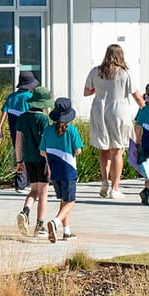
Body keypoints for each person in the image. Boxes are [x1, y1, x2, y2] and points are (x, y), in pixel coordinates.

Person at [82, 45, 138, 200]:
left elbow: (86, 92)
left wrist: (98, 90)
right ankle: (115, 188)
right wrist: (145, 108)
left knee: (103, 148)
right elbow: (135, 94)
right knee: (117, 150)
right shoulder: (125, 73)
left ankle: (104, 181)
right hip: (119, 109)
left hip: (99, 109)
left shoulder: (95, 71)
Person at [40, 97, 85, 241]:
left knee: (63, 200)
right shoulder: (72, 130)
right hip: (69, 170)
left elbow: (42, 151)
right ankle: (56, 222)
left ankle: (66, 231)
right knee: (70, 201)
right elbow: (78, 150)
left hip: (54, 171)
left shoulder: (47, 130)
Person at [11, 94, 50, 234]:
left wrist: (19, 160)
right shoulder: (44, 119)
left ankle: (25, 212)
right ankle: (40, 225)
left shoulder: (23, 117)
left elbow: (18, 140)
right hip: (42, 159)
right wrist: (49, 162)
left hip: (28, 159)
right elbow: (46, 141)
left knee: (33, 190)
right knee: (44, 192)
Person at [0, 71, 39, 192]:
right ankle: (24, 183)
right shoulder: (29, 98)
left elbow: (4, 112)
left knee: (19, 154)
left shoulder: (11, 96)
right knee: (28, 154)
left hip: (13, 129)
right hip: (26, 130)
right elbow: (33, 114)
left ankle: (21, 182)